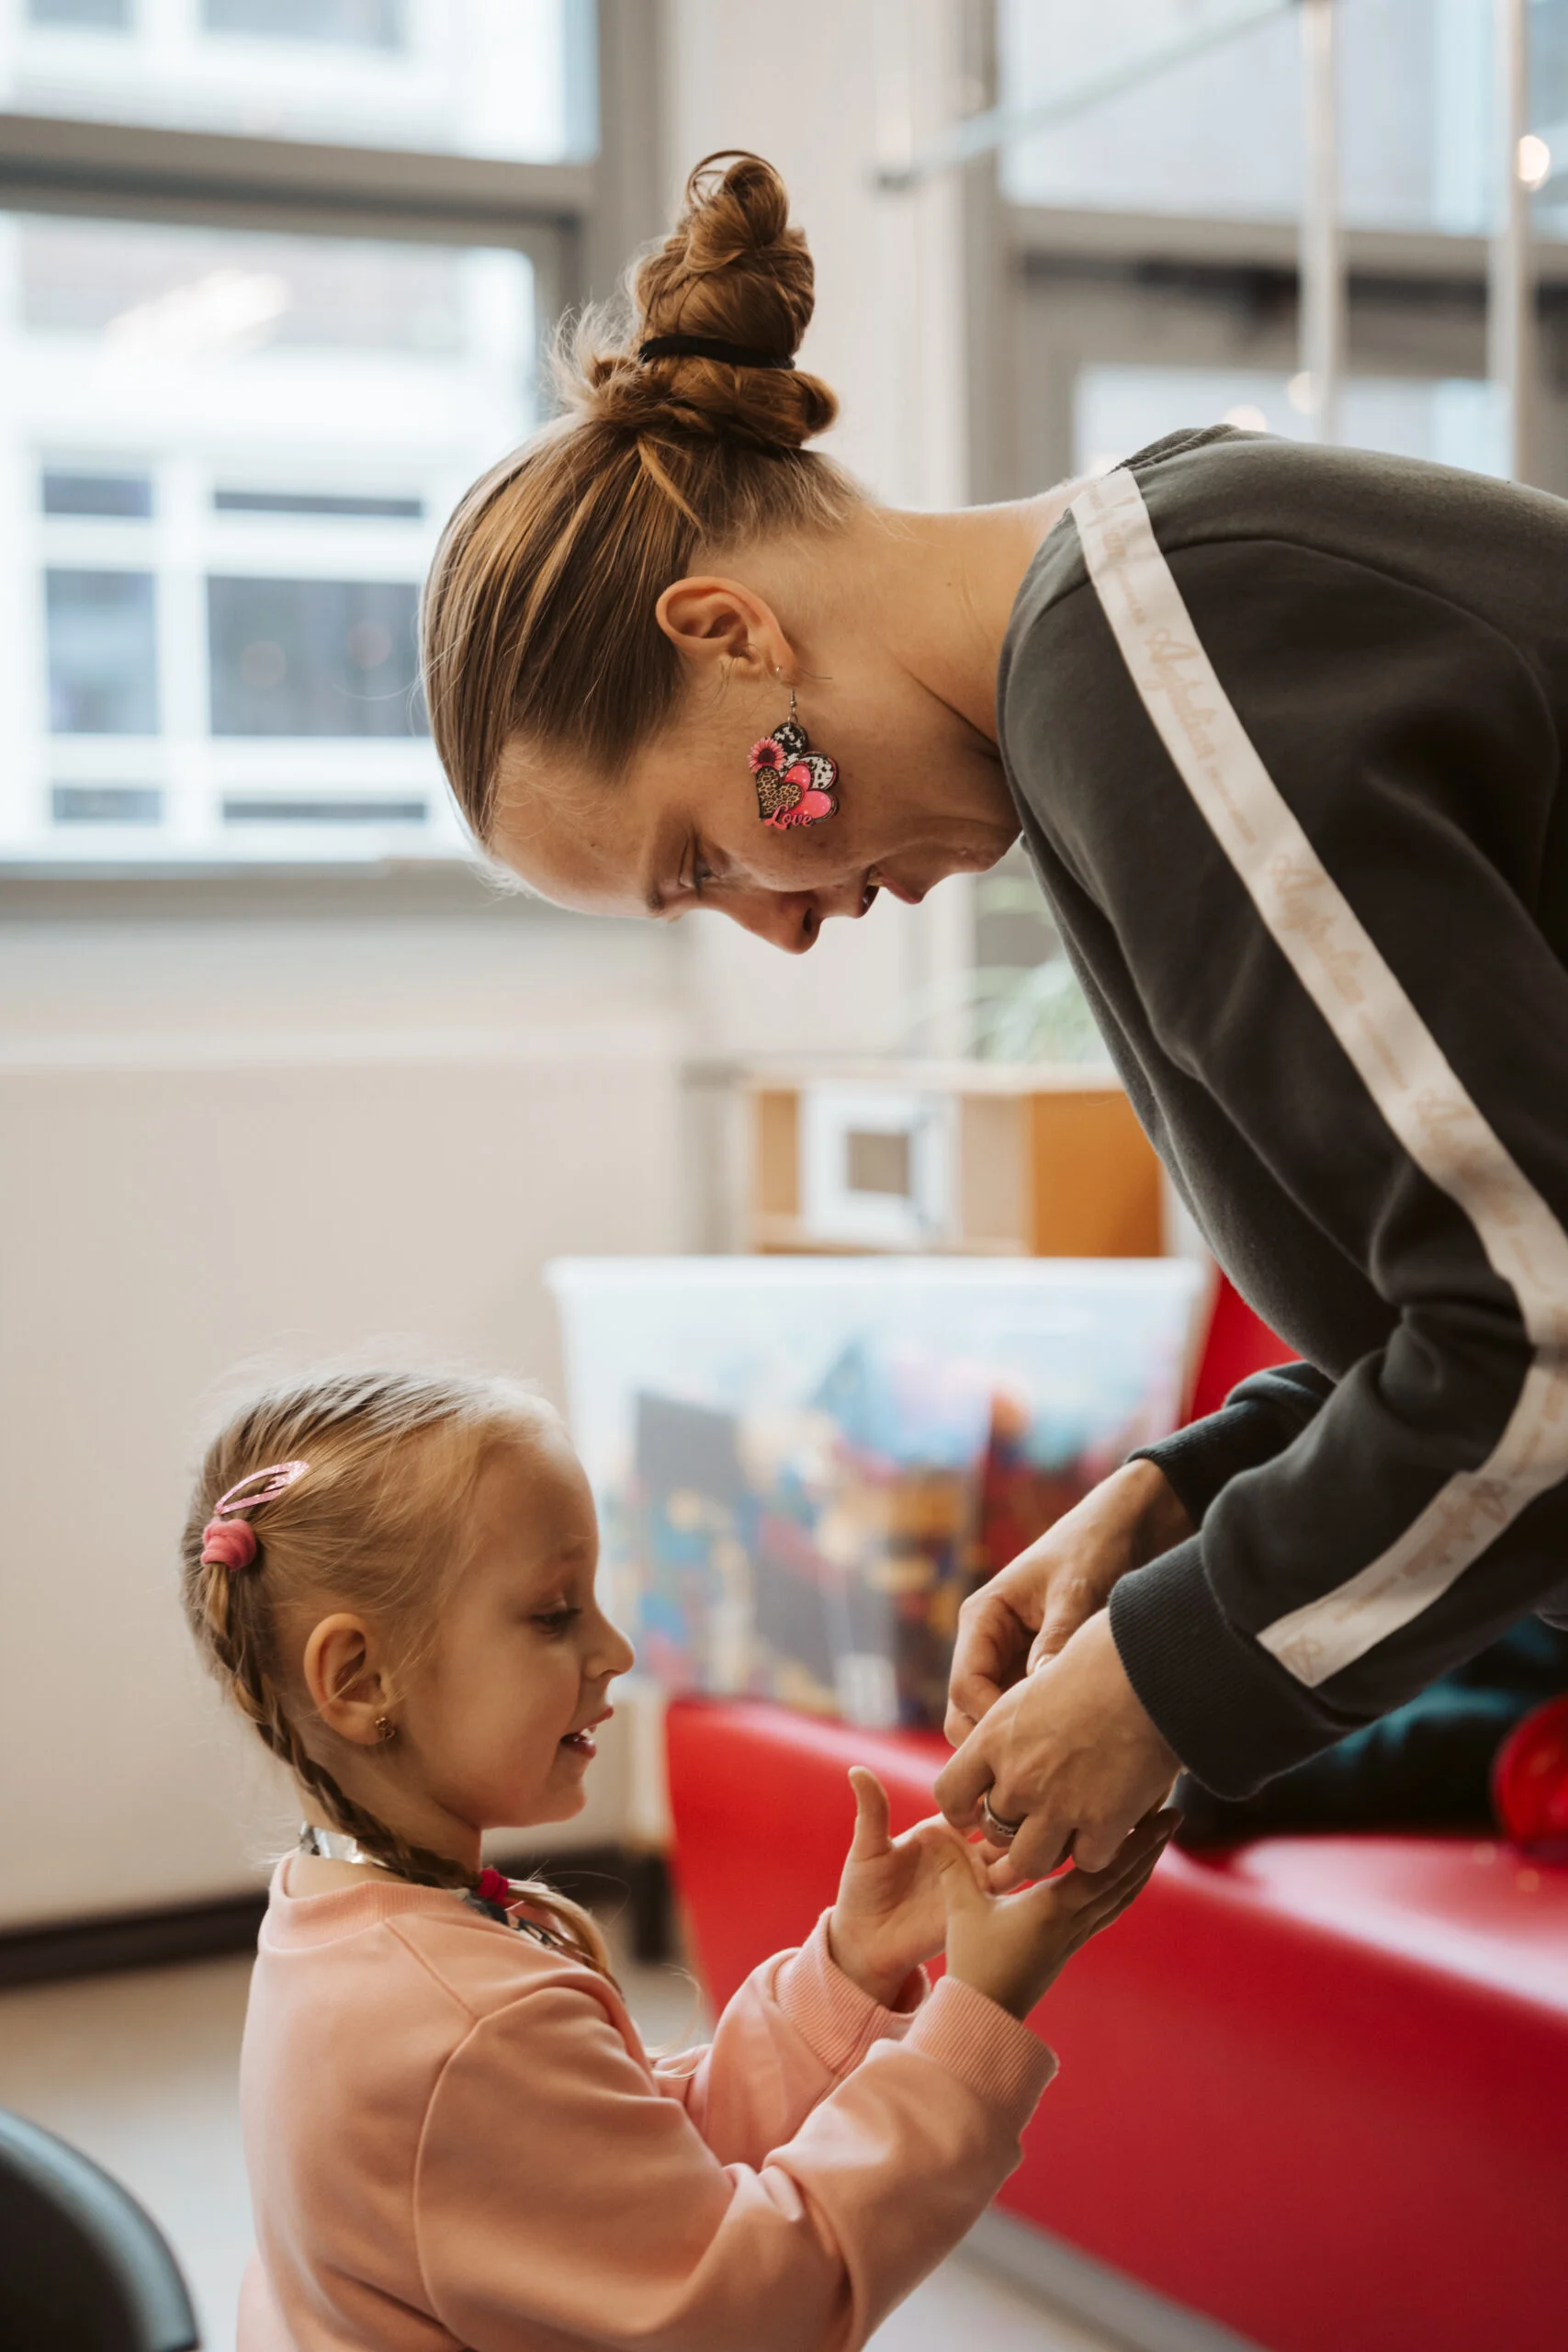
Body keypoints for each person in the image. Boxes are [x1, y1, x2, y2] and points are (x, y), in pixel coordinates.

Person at [421, 148, 1568, 1884]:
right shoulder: (1117, 658)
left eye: (708, 854)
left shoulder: (1146, 663)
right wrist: (1185, 1491)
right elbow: (1482, 1246)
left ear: (731, 635)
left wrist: (1167, 1684)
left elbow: (1539, 1327)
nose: (783, 929)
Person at [182, 1365, 1170, 2352]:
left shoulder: (338, 1912)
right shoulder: (461, 2024)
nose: (615, 1647)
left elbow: (642, 2168)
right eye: (554, 1613)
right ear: (358, 1679)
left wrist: (852, 1968)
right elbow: (755, 2311)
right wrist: (973, 2028)